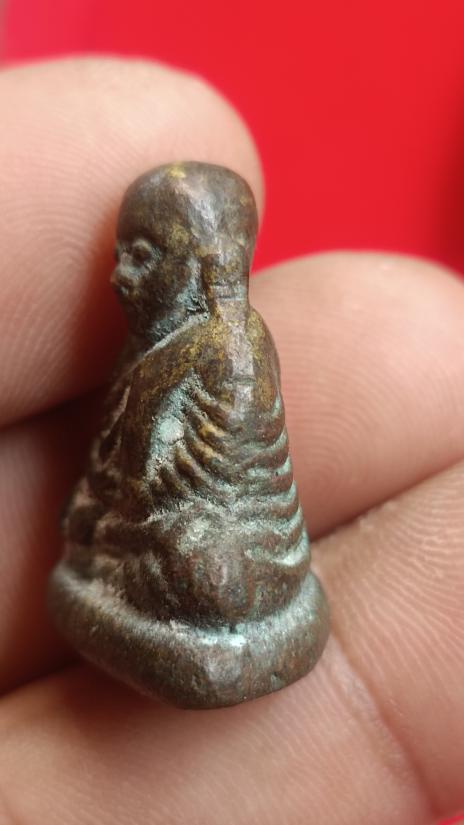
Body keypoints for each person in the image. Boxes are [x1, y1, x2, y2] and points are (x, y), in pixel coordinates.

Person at [0, 57, 463, 825]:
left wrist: (123, 518)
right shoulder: (142, 349)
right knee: (92, 528)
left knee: (204, 569)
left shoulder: (228, 347)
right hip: (151, 530)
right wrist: (99, 505)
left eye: (143, 257)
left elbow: (205, 481)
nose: (118, 276)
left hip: (224, 541)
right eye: (120, 253)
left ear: (200, 265)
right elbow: (119, 466)